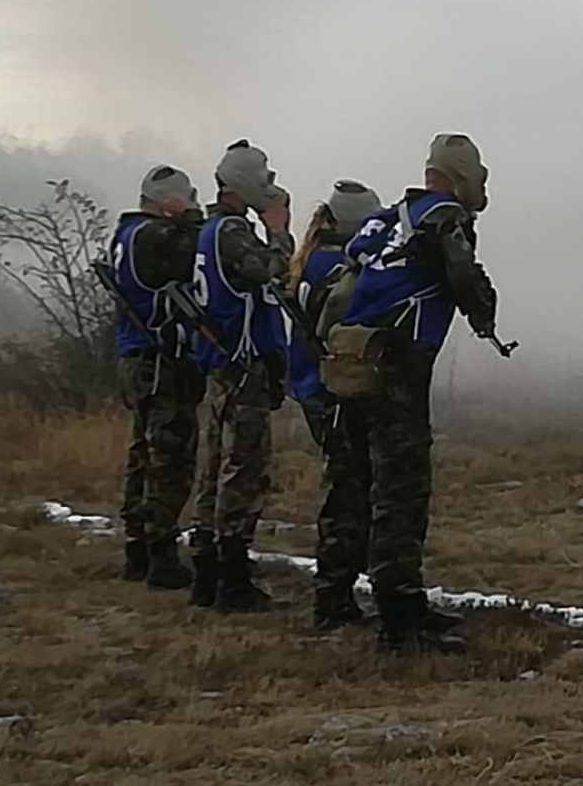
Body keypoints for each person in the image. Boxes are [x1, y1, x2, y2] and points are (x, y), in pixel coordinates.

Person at [337, 132, 498, 653]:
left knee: (363, 482)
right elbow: (462, 274)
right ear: (461, 176)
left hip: (352, 360)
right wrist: (482, 309)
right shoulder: (444, 218)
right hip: (396, 365)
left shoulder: (387, 218)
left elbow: (349, 266)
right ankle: (399, 615)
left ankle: (374, 596)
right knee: (401, 488)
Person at [187, 139, 294, 612]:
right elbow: (270, 270)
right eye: (265, 179)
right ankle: (231, 575)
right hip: (241, 361)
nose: (272, 188)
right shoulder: (232, 232)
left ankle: (207, 570)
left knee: (216, 463)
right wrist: (279, 232)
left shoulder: (211, 229)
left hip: (223, 359)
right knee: (244, 466)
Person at [287, 179, 384, 630]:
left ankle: (337, 590)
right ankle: (334, 597)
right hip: (333, 390)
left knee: (345, 486)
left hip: (311, 386)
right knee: (347, 492)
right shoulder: (339, 267)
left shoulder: (311, 259)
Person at [108, 165, 205, 589]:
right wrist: (192, 219)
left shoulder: (126, 235)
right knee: (170, 456)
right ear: (169, 200)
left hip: (136, 354)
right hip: (160, 358)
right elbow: (194, 252)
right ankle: (160, 553)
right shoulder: (154, 236)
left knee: (143, 452)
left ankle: (137, 547)